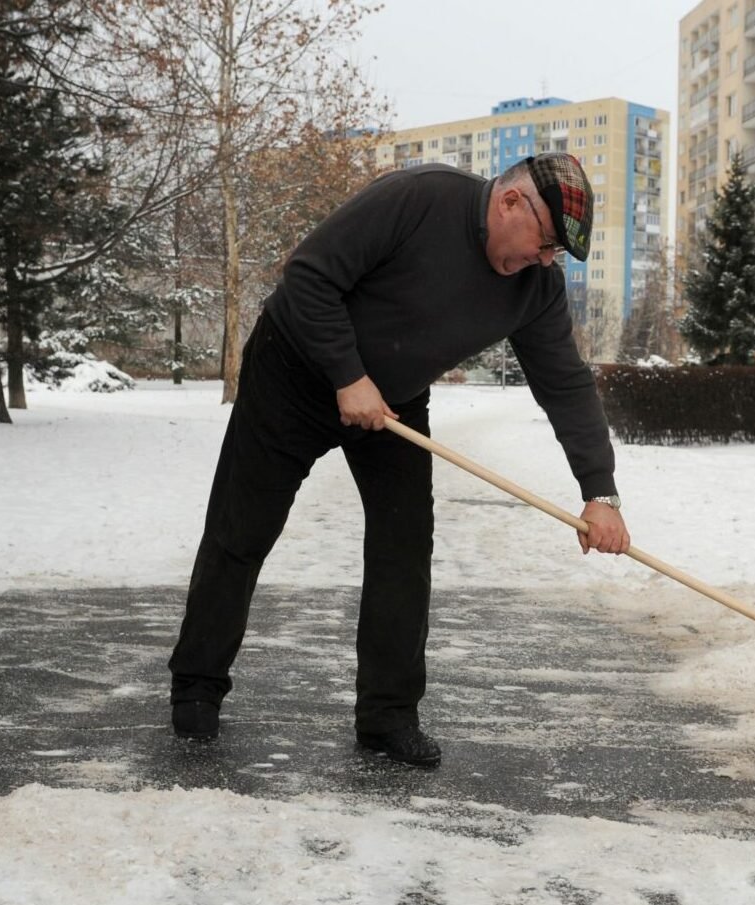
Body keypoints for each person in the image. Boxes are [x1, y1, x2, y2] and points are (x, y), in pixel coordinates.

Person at [167, 152, 630, 768]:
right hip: (293, 372)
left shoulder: (535, 288)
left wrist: (600, 491)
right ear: (510, 202)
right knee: (243, 528)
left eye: (554, 254)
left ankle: (388, 716)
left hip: (393, 403)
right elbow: (307, 276)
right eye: (545, 243)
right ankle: (197, 688)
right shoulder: (418, 199)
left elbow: (565, 383)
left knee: (404, 544)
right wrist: (347, 374)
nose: (545, 261)